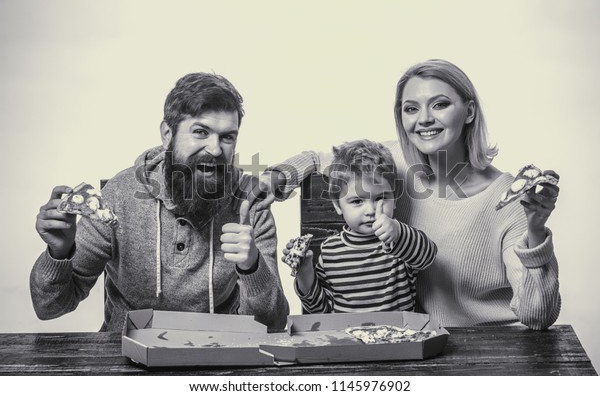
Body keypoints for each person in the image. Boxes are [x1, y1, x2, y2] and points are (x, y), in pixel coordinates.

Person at [251, 59, 561, 330]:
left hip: (486, 347)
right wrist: (275, 178)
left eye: (439, 104)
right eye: (411, 108)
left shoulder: (507, 199)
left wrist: (535, 230)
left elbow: (538, 317)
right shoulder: (395, 163)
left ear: (468, 111)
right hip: (410, 341)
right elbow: (320, 159)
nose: (423, 119)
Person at [31, 72, 289, 332]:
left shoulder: (250, 203)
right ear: (168, 133)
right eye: (200, 132)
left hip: (216, 355)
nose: (215, 149)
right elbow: (49, 307)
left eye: (227, 137)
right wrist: (58, 253)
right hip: (125, 355)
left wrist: (252, 266)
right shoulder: (119, 196)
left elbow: (273, 324)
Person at [283, 139, 437, 314]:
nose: (371, 210)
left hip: (398, 336)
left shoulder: (399, 241)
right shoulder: (330, 251)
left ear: (394, 199)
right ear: (338, 206)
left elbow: (428, 256)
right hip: (347, 338)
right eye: (357, 201)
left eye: (381, 198)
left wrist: (398, 232)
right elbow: (320, 310)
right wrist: (304, 273)